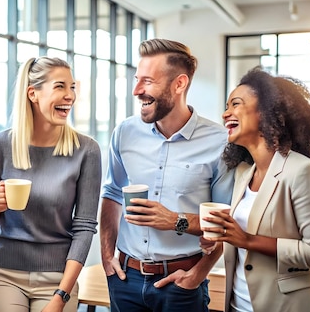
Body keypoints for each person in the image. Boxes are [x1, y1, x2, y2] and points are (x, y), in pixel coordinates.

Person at [99, 38, 235, 312]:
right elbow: (112, 193)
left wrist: (196, 274)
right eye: (137, 79)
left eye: (147, 81)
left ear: (179, 84)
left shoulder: (220, 142)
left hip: (182, 284)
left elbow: (224, 223)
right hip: (125, 279)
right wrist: (106, 256)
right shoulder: (124, 133)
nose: (137, 90)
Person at [202, 67, 310, 312]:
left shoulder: (303, 171)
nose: (226, 113)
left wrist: (248, 240)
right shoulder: (244, 174)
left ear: (266, 112)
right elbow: (243, 241)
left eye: (235, 104)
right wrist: (221, 241)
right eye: (226, 106)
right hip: (238, 304)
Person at [0, 56, 102, 312]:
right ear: (33, 94)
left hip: (58, 276)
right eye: (60, 86)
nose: (70, 96)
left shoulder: (86, 150)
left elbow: (85, 227)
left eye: (72, 87)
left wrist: (61, 296)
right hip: (3, 271)